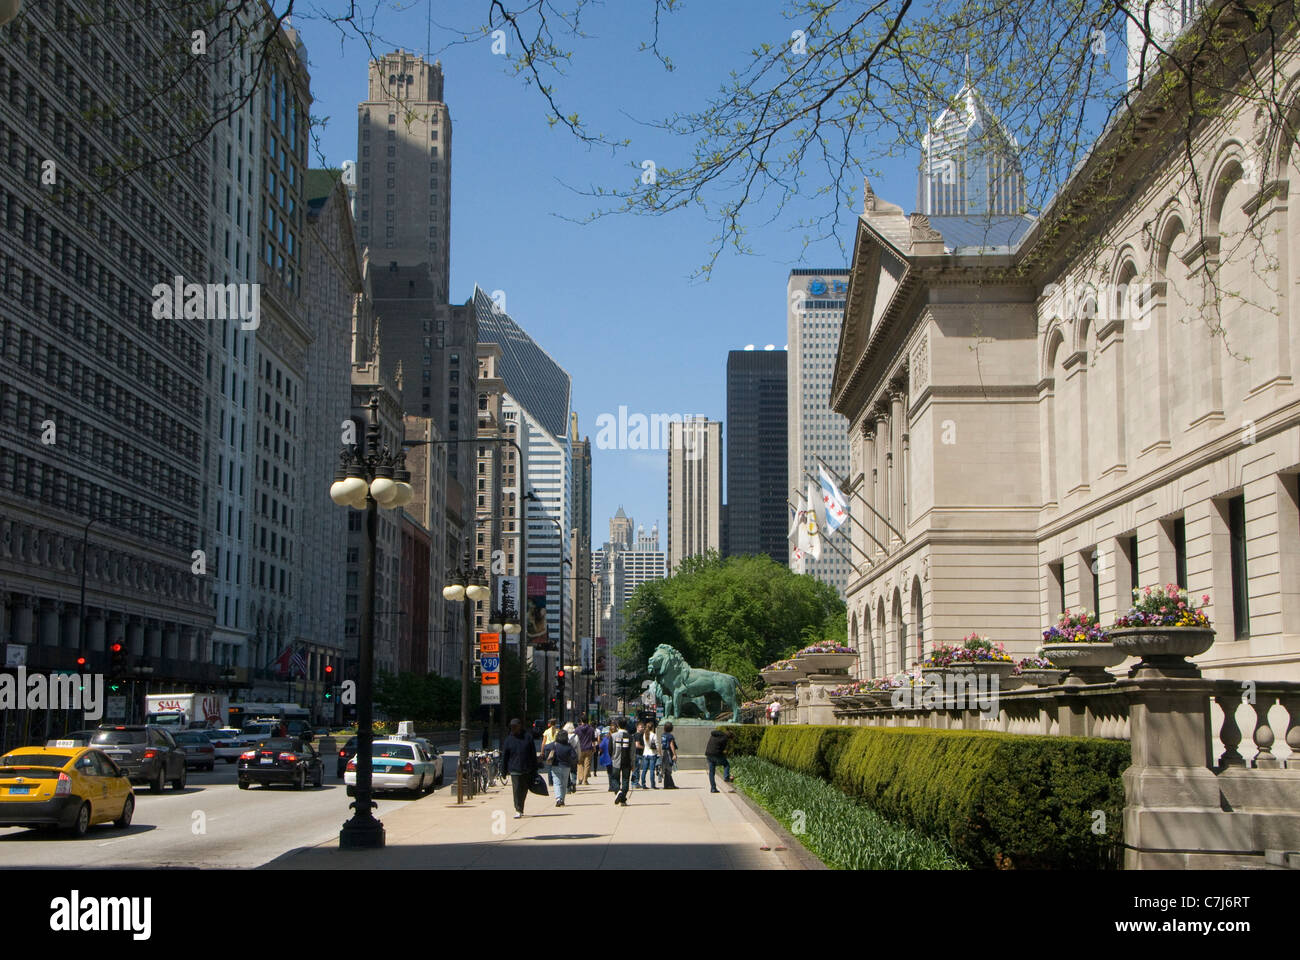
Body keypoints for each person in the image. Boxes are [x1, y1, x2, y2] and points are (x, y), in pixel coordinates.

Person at [502, 718, 539, 818]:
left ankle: (520, 807)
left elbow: (533, 754)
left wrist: (535, 768)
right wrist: (503, 771)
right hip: (514, 769)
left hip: (527, 768)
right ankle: (518, 809)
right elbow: (505, 756)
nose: (513, 728)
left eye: (515, 726)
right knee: (516, 789)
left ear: (520, 726)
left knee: (524, 790)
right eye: (512, 727)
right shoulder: (509, 740)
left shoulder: (528, 737)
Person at [542, 728, 577, 806]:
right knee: (564, 784)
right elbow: (574, 756)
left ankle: (558, 799)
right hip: (566, 767)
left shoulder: (554, 744)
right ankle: (562, 800)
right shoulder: (569, 746)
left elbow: (546, 747)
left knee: (557, 783)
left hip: (555, 766)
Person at [611, 718, 636, 805]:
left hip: (616, 761)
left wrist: (612, 757)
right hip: (627, 762)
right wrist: (633, 763)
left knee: (614, 779)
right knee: (625, 780)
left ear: (618, 725)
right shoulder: (630, 737)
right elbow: (632, 752)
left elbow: (610, 749)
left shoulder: (613, 736)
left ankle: (618, 791)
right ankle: (622, 798)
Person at [705, 727, 733, 793]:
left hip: (708, 754)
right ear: (729, 737)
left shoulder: (714, 735)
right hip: (716, 754)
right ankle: (726, 777)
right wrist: (724, 754)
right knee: (726, 764)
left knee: (711, 772)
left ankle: (713, 788)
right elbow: (721, 750)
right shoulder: (725, 738)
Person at [575, 715, 596, 785]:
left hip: (580, 748)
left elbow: (575, 738)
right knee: (587, 764)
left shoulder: (577, 729)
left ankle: (580, 778)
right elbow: (593, 739)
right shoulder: (591, 729)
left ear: (581, 720)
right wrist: (594, 747)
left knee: (579, 763)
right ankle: (585, 780)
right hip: (588, 748)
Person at [638, 721, 659, 789]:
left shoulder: (645, 735)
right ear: (652, 727)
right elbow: (657, 745)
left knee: (644, 770)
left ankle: (643, 784)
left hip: (645, 753)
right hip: (652, 753)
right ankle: (652, 784)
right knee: (652, 770)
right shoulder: (654, 735)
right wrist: (659, 753)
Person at [598, 724, 616, 791]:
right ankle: (615, 785)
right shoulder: (617, 738)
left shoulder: (606, 738)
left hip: (607, 758)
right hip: (616, 758)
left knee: (610, 773)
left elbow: (601, 746)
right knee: (615, 772)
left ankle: (611, 786)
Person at [660, 721, 678, 789]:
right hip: (668, 752)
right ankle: (669, 785)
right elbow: (671, 745)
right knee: (668, 769)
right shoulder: (670, 736)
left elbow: (662, 744)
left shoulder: (663, 735)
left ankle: (668, 784)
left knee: (666, 769)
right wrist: (674, 754)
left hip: (664, 752)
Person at [541, 719, 558, 785]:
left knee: (549, 765)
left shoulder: (546, 731)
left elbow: (543, 742)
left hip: (547, 748)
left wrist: (542, 751)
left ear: (549, 724)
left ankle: (550, 782)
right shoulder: (558, 731)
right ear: (555, 723)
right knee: (556, 764)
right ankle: (555, 780)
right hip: (555, 748)